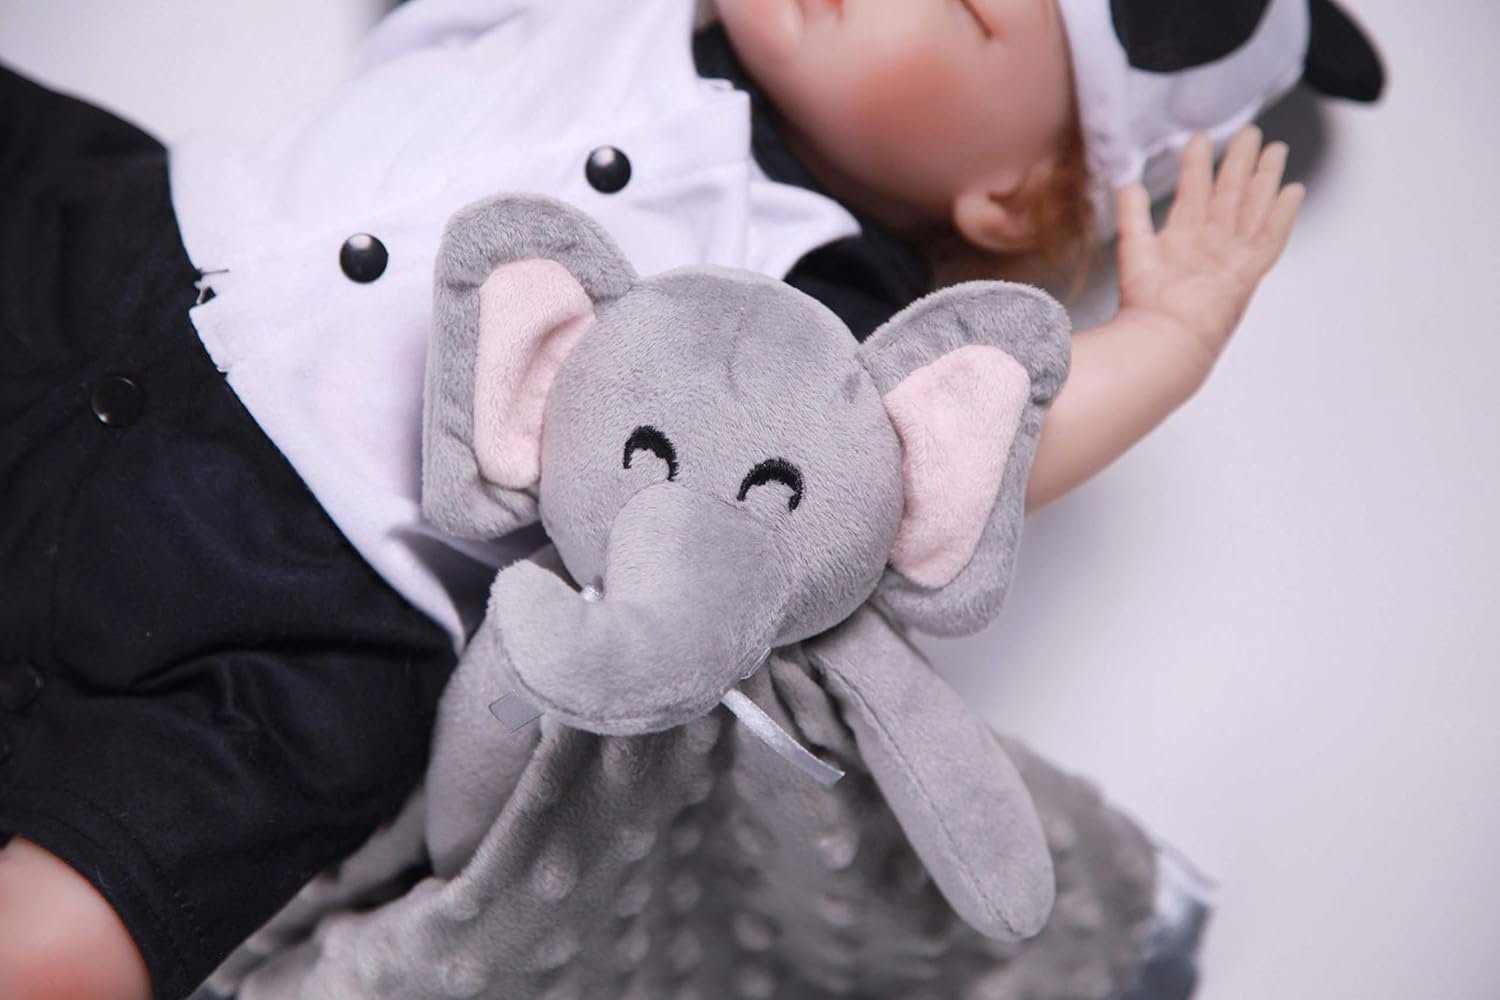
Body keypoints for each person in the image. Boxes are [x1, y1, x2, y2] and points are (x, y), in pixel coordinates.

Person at [0, 0, 1381, 997]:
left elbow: (936, 460)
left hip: (313, 591)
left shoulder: (829, 313)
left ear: (1007, 200)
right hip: (123, 229)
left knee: (117, 896)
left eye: (965, 5)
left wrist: (1167, 341)